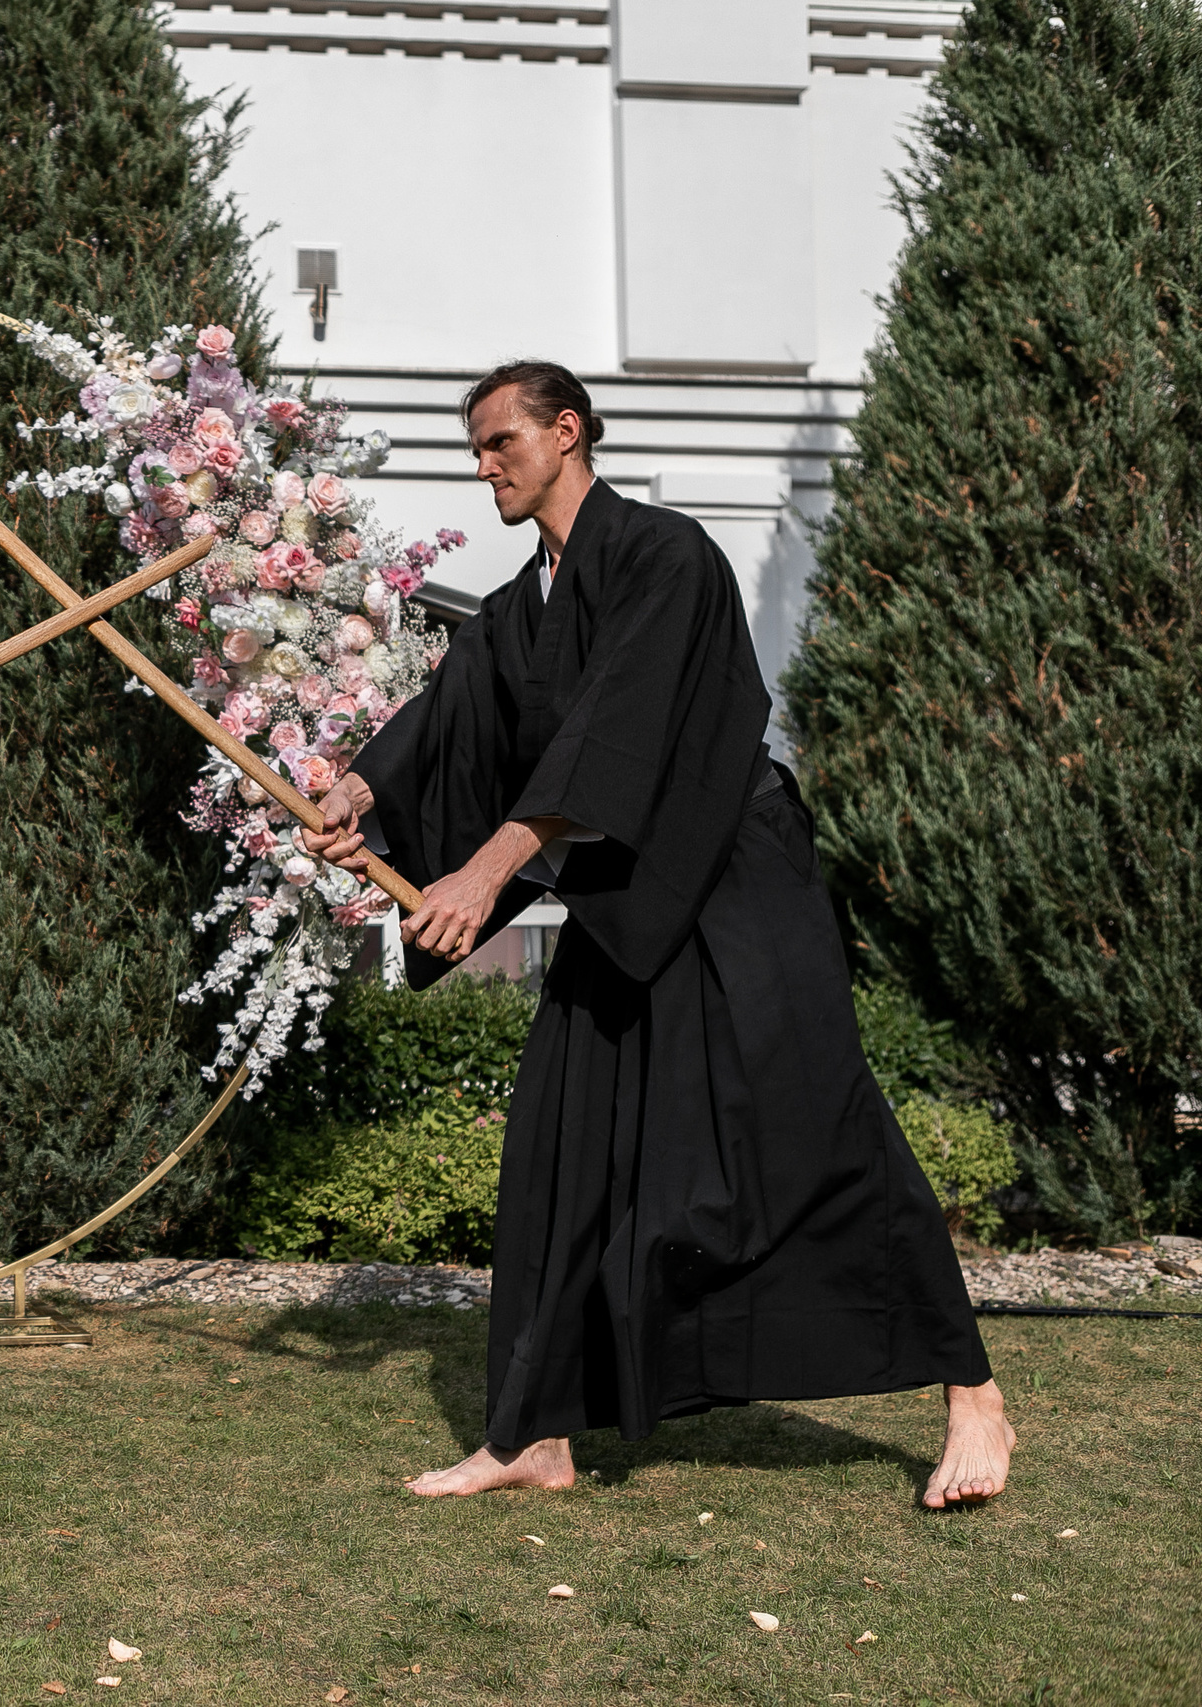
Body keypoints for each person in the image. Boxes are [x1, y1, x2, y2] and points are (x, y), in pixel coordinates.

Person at [302, 361, 1012, 1509]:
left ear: (567, 432)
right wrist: (359, 796)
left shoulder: (666, 558)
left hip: (734, 884)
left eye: (499, 443)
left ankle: (970, 1393)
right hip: (626, 899)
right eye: (474, 448)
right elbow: (449, 722)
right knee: (559, 1144)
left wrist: (485, 873)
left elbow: (610, 740)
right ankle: (534, 1432)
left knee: (813, 1122)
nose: (482, 465)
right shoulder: (515, 606)